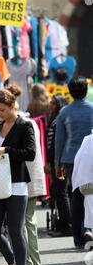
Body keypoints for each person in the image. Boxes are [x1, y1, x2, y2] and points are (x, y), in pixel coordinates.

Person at [0, 85, 36, 265]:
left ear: (13, 106)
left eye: (2, 110)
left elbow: (30, 153)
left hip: (16, 183)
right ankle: (11, 261)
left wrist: (5, 149)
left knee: (15, 230)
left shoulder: (25, 125)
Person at [55, 77, 93, 248]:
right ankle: (89, 228)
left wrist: (57, 163)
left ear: (69, 92)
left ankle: (78, 237)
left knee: (77, 195)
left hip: (71, 158)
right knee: (92, 193)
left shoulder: (64, 112)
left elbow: (59, 140)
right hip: (91, 153)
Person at [45, 94, 72, 237]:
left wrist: (51, 161)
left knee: (61, 193)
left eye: (53, 103)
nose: (50, 105)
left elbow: (55, 144)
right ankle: (65, 224)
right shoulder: (56, 120)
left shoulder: (58, 121)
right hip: (59, 160)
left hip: (59, 161)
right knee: (61, 193)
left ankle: (66, 226)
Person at [23, 117, 46, 265]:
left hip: (21, 179)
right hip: (31, 178)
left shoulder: (21, 124)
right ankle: (35, 260)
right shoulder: (31, 123)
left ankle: (26, 262)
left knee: (20, 222)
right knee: (30, 220)